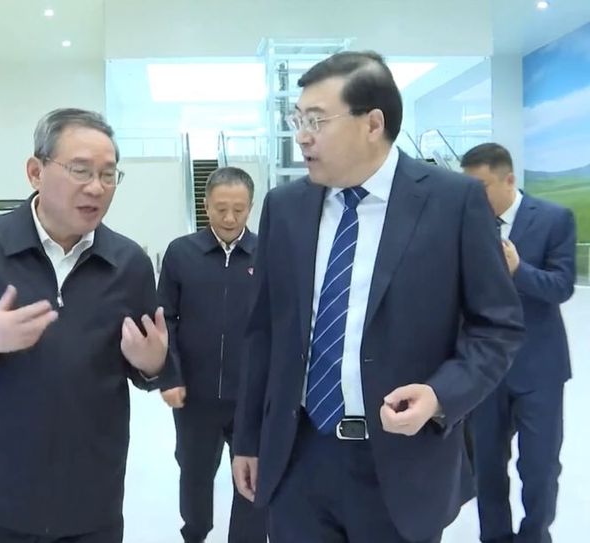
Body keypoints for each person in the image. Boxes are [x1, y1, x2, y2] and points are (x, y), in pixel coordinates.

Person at [230, 51, 525, 543]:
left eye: (316, 121)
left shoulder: (453, 202)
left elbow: (498, 326)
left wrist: (440, 395)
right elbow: (264, 330)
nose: (301, 136)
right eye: (297, 120)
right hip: (298, 457)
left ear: (372, 123)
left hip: (401, 462)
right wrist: (249, 439)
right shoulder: (285, 207)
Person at [0, 108, 169, 543]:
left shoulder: (128, 263)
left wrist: (152, 365)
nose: (96, 187)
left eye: (108, 174)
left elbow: (147, 370)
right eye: (80, 170)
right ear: (35, 172)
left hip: (91, 504)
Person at [461, 142, 576, 543]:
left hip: (539, 369)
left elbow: (562, 286)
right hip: (483, 368)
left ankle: (534, 536)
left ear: (508, 179)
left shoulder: (554, 219)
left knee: (540, 468)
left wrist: (518, 269)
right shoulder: (466, 223)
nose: (474, 197)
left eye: (481, 187)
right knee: (487, 467)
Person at [156, 167, 267, 543]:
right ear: (205, 206)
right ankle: (195, 533)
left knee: (252, 477)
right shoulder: (181, 253)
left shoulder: (267, 254)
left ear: (251, 206)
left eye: (239, 209)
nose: (230, 218)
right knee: (194, 472)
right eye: (221, 209)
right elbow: (165, 319)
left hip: (250, 397)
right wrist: (170, 376)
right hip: (195, 395)